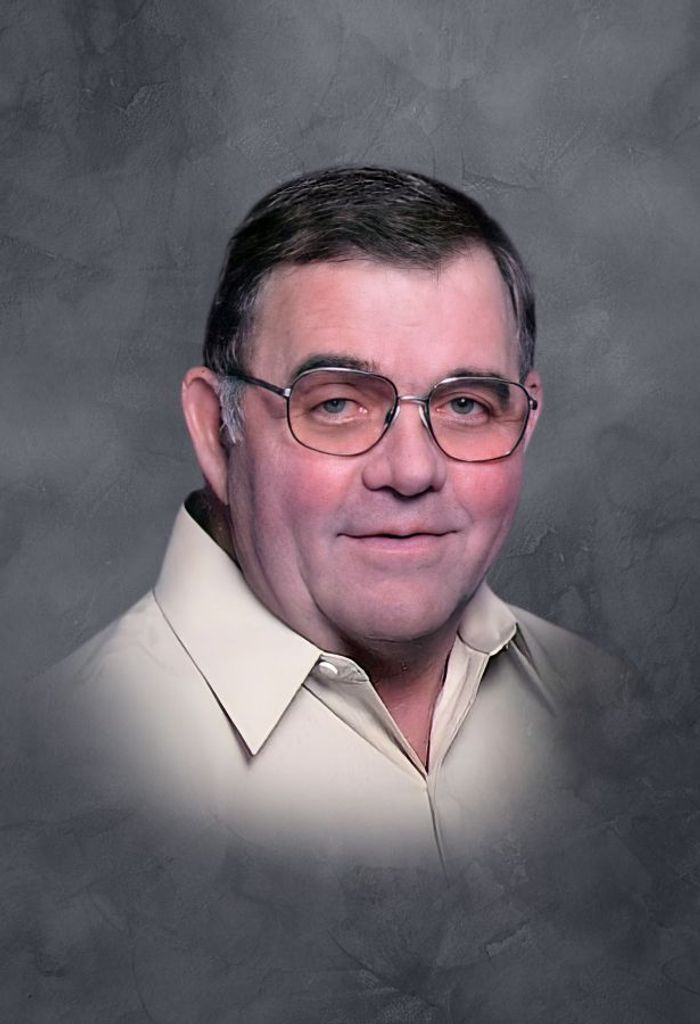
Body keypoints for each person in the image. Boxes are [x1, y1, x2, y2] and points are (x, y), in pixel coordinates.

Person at [9, 168, 686, 1022]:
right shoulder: (51, 789)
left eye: (467, 404)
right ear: (215, 431)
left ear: (526, 422)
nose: (411, 470)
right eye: (336, 405)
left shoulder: (614, 718)